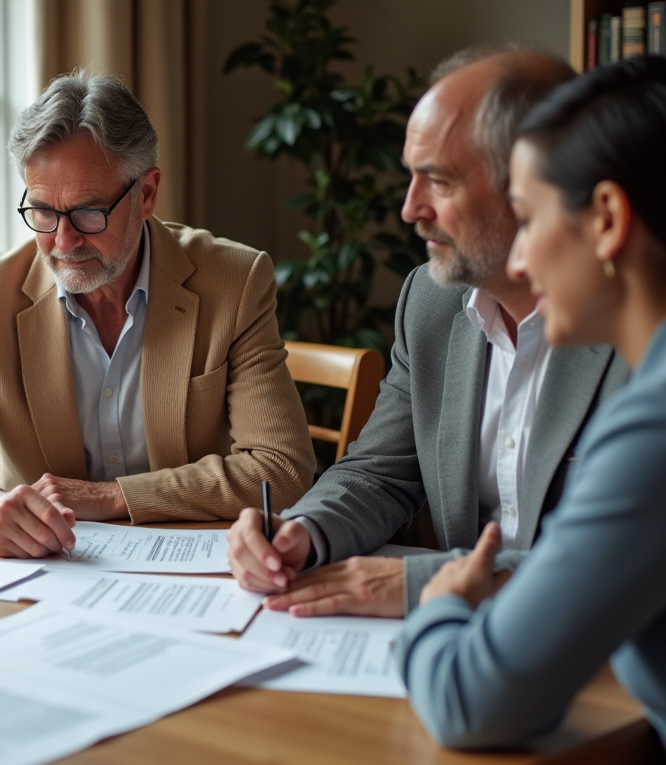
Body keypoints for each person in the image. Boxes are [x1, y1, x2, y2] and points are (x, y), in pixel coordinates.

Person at [226, 45, 628, 617]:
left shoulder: (633, 325)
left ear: (532, 180)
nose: (410, 209)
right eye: (411, 178)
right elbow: (379, 474)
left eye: (437, 181)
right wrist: (303, 533)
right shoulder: (430, 302)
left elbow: (614, 561)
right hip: (459, 642)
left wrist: (414, 583)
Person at [0, 70, 315, 558]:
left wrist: (111, 498)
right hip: (41, 572)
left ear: (146, 194)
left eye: (88, 213)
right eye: (43, 212)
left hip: (187, 564)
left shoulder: (234, 282)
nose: (63, 243)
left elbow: (280, 468)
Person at [399, 55, 666, 763]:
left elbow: (469, 703)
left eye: (532, 215)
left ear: (606, 219)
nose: (520, 263)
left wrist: (439, 608)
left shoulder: (653, 425)